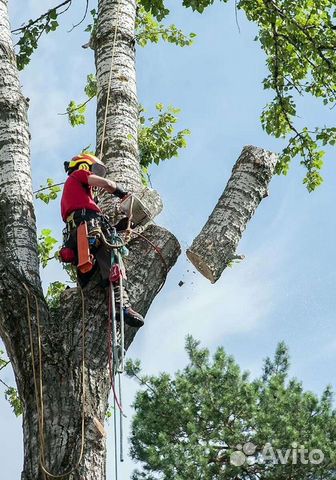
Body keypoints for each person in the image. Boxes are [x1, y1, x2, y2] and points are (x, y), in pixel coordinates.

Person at [60, 153, 144, 328]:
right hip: (89, 229)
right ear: (84, 166)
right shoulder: (78, 175)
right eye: (94, 170)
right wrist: (124, 195)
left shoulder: (76, 196)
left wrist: (120, 226)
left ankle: (88, 284)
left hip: (78, 236)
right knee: (113, 256)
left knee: (92, 266)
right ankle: (121, 305)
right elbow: (108, 184)